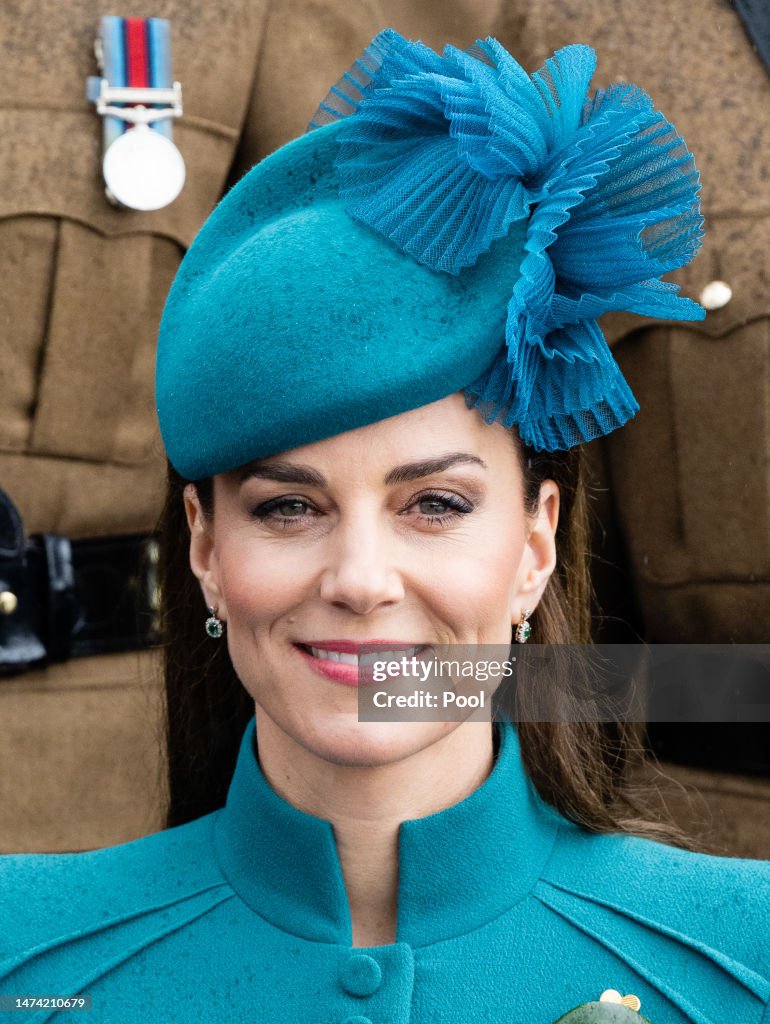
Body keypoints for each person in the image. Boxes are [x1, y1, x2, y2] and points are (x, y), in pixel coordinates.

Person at [2, 30, 769, 1024]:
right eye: (288, 506)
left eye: (434, 505)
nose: (359, 578)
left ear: (536, 543)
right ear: (203, 546)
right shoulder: (28, 955)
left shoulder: (737, 961)